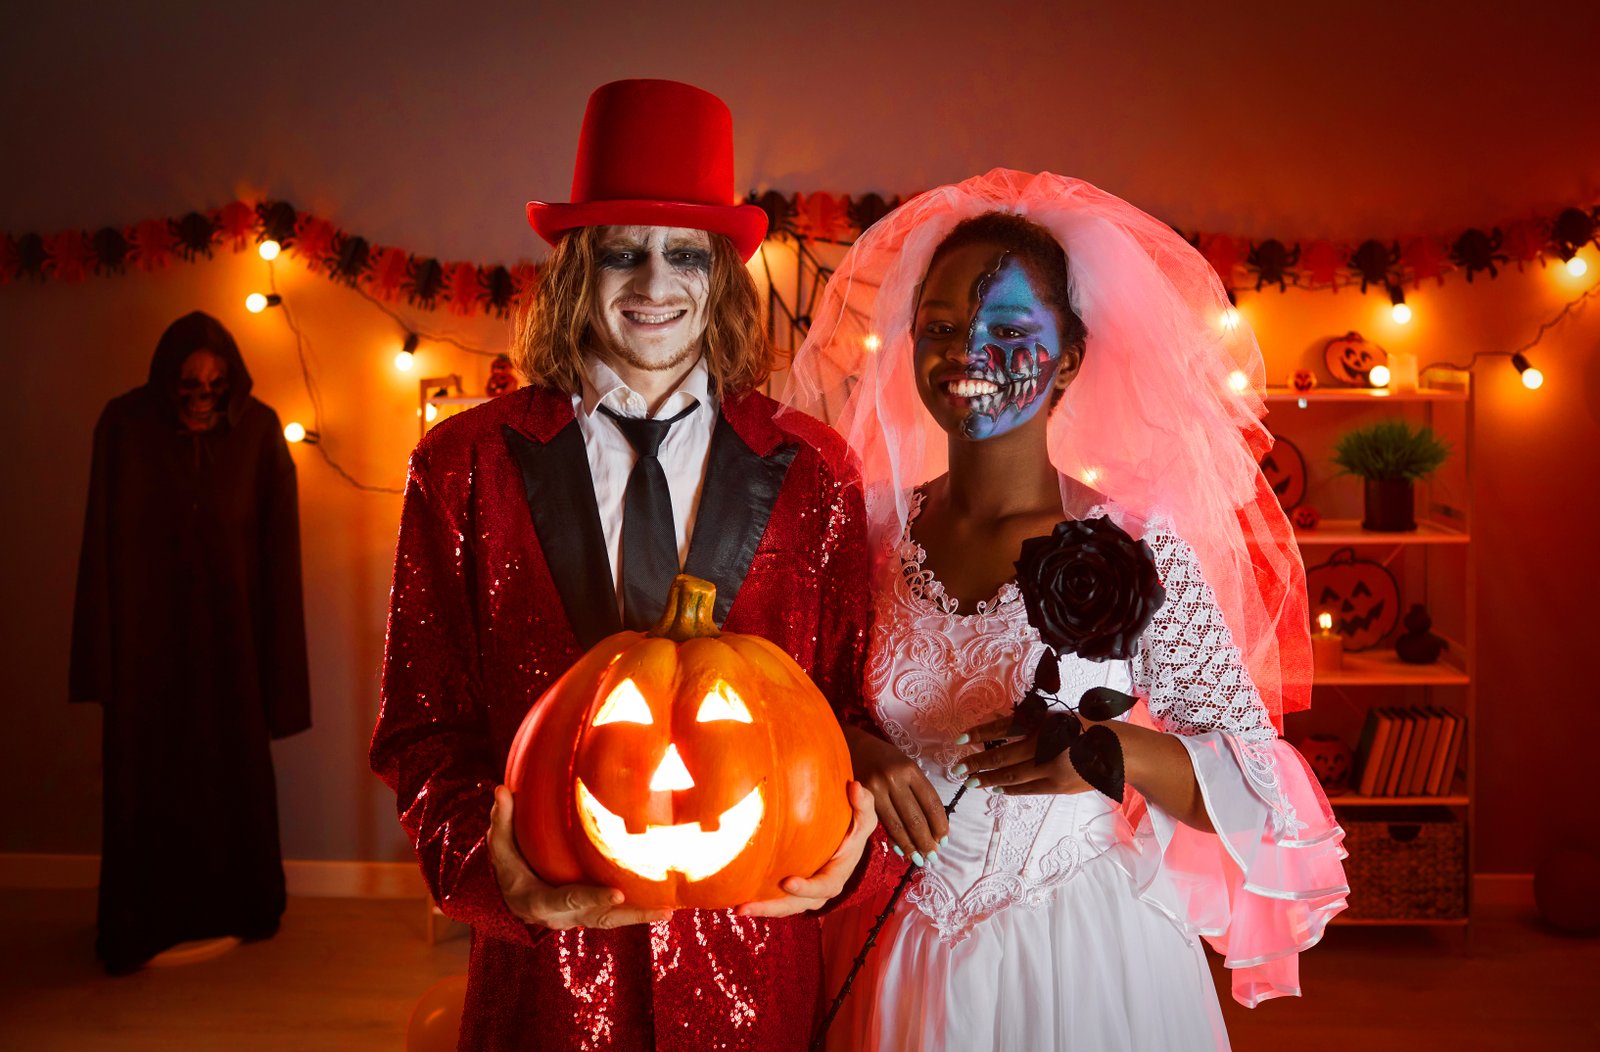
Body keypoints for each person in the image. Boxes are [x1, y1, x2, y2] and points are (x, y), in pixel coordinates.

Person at [369, 79, 890, 1052]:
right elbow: (421, 725)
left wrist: (855, 852)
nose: (654, 283)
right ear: (576, 268)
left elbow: (854, 711)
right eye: (623, 252)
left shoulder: (815, 469)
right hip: (549, 976)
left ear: (724, 274)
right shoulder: (462, 466)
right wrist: (491, 875)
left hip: (753, 962)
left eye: (685, 253)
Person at [785, 170, 1349, 1050]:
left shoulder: (1134, 547)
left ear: (1070, 360)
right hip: (891, 946)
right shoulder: (863, 535)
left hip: (1085, 954)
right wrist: (858, 749)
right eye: (940, 328)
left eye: (1009, 330)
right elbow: (789, 703)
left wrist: (1114, 753)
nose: (968, 353)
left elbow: (1256, 789)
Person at [71, 310, 310, 974]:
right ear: (165, 385)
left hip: (232, 648)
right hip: (145, 649)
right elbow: (100, 548)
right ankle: (141, 922)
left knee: (229, 778)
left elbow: (277, 557)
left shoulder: (260, 432)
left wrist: (277, 674)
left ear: (231, 386)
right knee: (144, 784)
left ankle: (242, 905)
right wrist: (102, 660)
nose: (203, 398)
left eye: (215, 387)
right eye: (189, 387)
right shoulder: (122, 427)